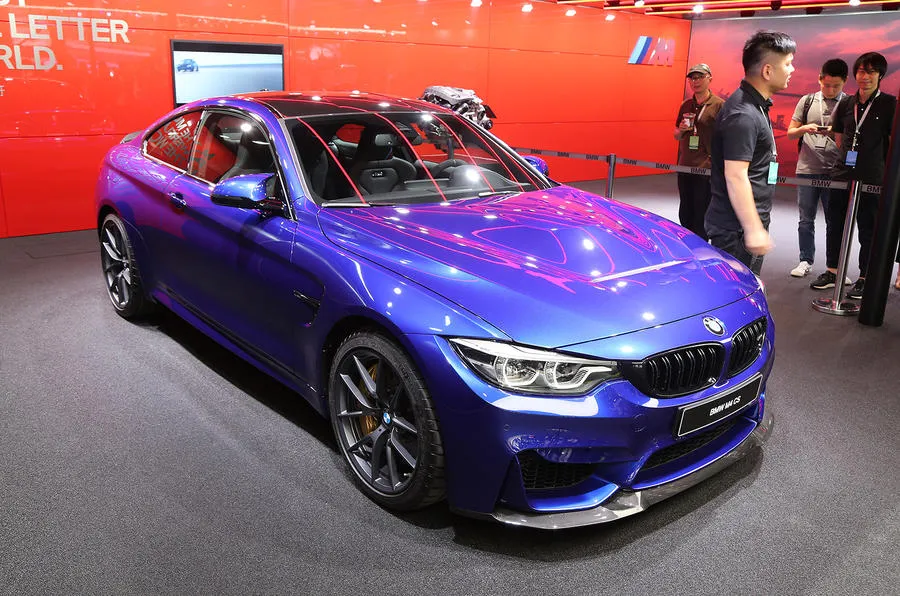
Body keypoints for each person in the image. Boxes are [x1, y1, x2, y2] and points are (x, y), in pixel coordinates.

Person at [705, 30, 796, 275]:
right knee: (735, 291)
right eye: (788, 63)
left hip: (743, 224)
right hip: (735, 229)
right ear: (767, 71)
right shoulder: (743, 114)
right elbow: (736, 175)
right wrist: (753, 228)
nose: (792, 69)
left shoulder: (756, 106)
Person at [810, 52, 896, 298]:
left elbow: (891, 141)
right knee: (835, 222)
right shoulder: (847, 103)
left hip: (872, 177)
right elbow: (839, 136)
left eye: (870, 72)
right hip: (842, 174)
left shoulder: (889, 104)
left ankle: (865, 277)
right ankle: (833, 271)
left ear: (880, 75)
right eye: (860, 71)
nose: (864, 76)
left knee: (869, 227)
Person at [785, 59, 848, 278]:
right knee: (806, 219)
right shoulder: (807, 101)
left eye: (836, 86)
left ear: (844, 82)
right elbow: (790, 133)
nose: (830, 90)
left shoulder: (848, 104)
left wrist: (834, 132)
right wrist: (804, 128)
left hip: (836, 171)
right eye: (826, 85)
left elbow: (851, 139)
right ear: (819, 79)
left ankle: (834, 267)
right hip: (807, 169)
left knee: (835, 221)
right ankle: (805, 260)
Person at [673, 63, 724, 240]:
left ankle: (701, 247)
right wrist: (681, 130)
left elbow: (725, 136)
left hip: (706, 168)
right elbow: (676, 135)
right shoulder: (686, 105)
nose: (695, 81)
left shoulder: (719, 105)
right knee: (685, 211)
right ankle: (687, 245)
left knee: (702, 212)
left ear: (710, 79)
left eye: (700, 77)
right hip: (685, 165)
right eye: (692, 78)